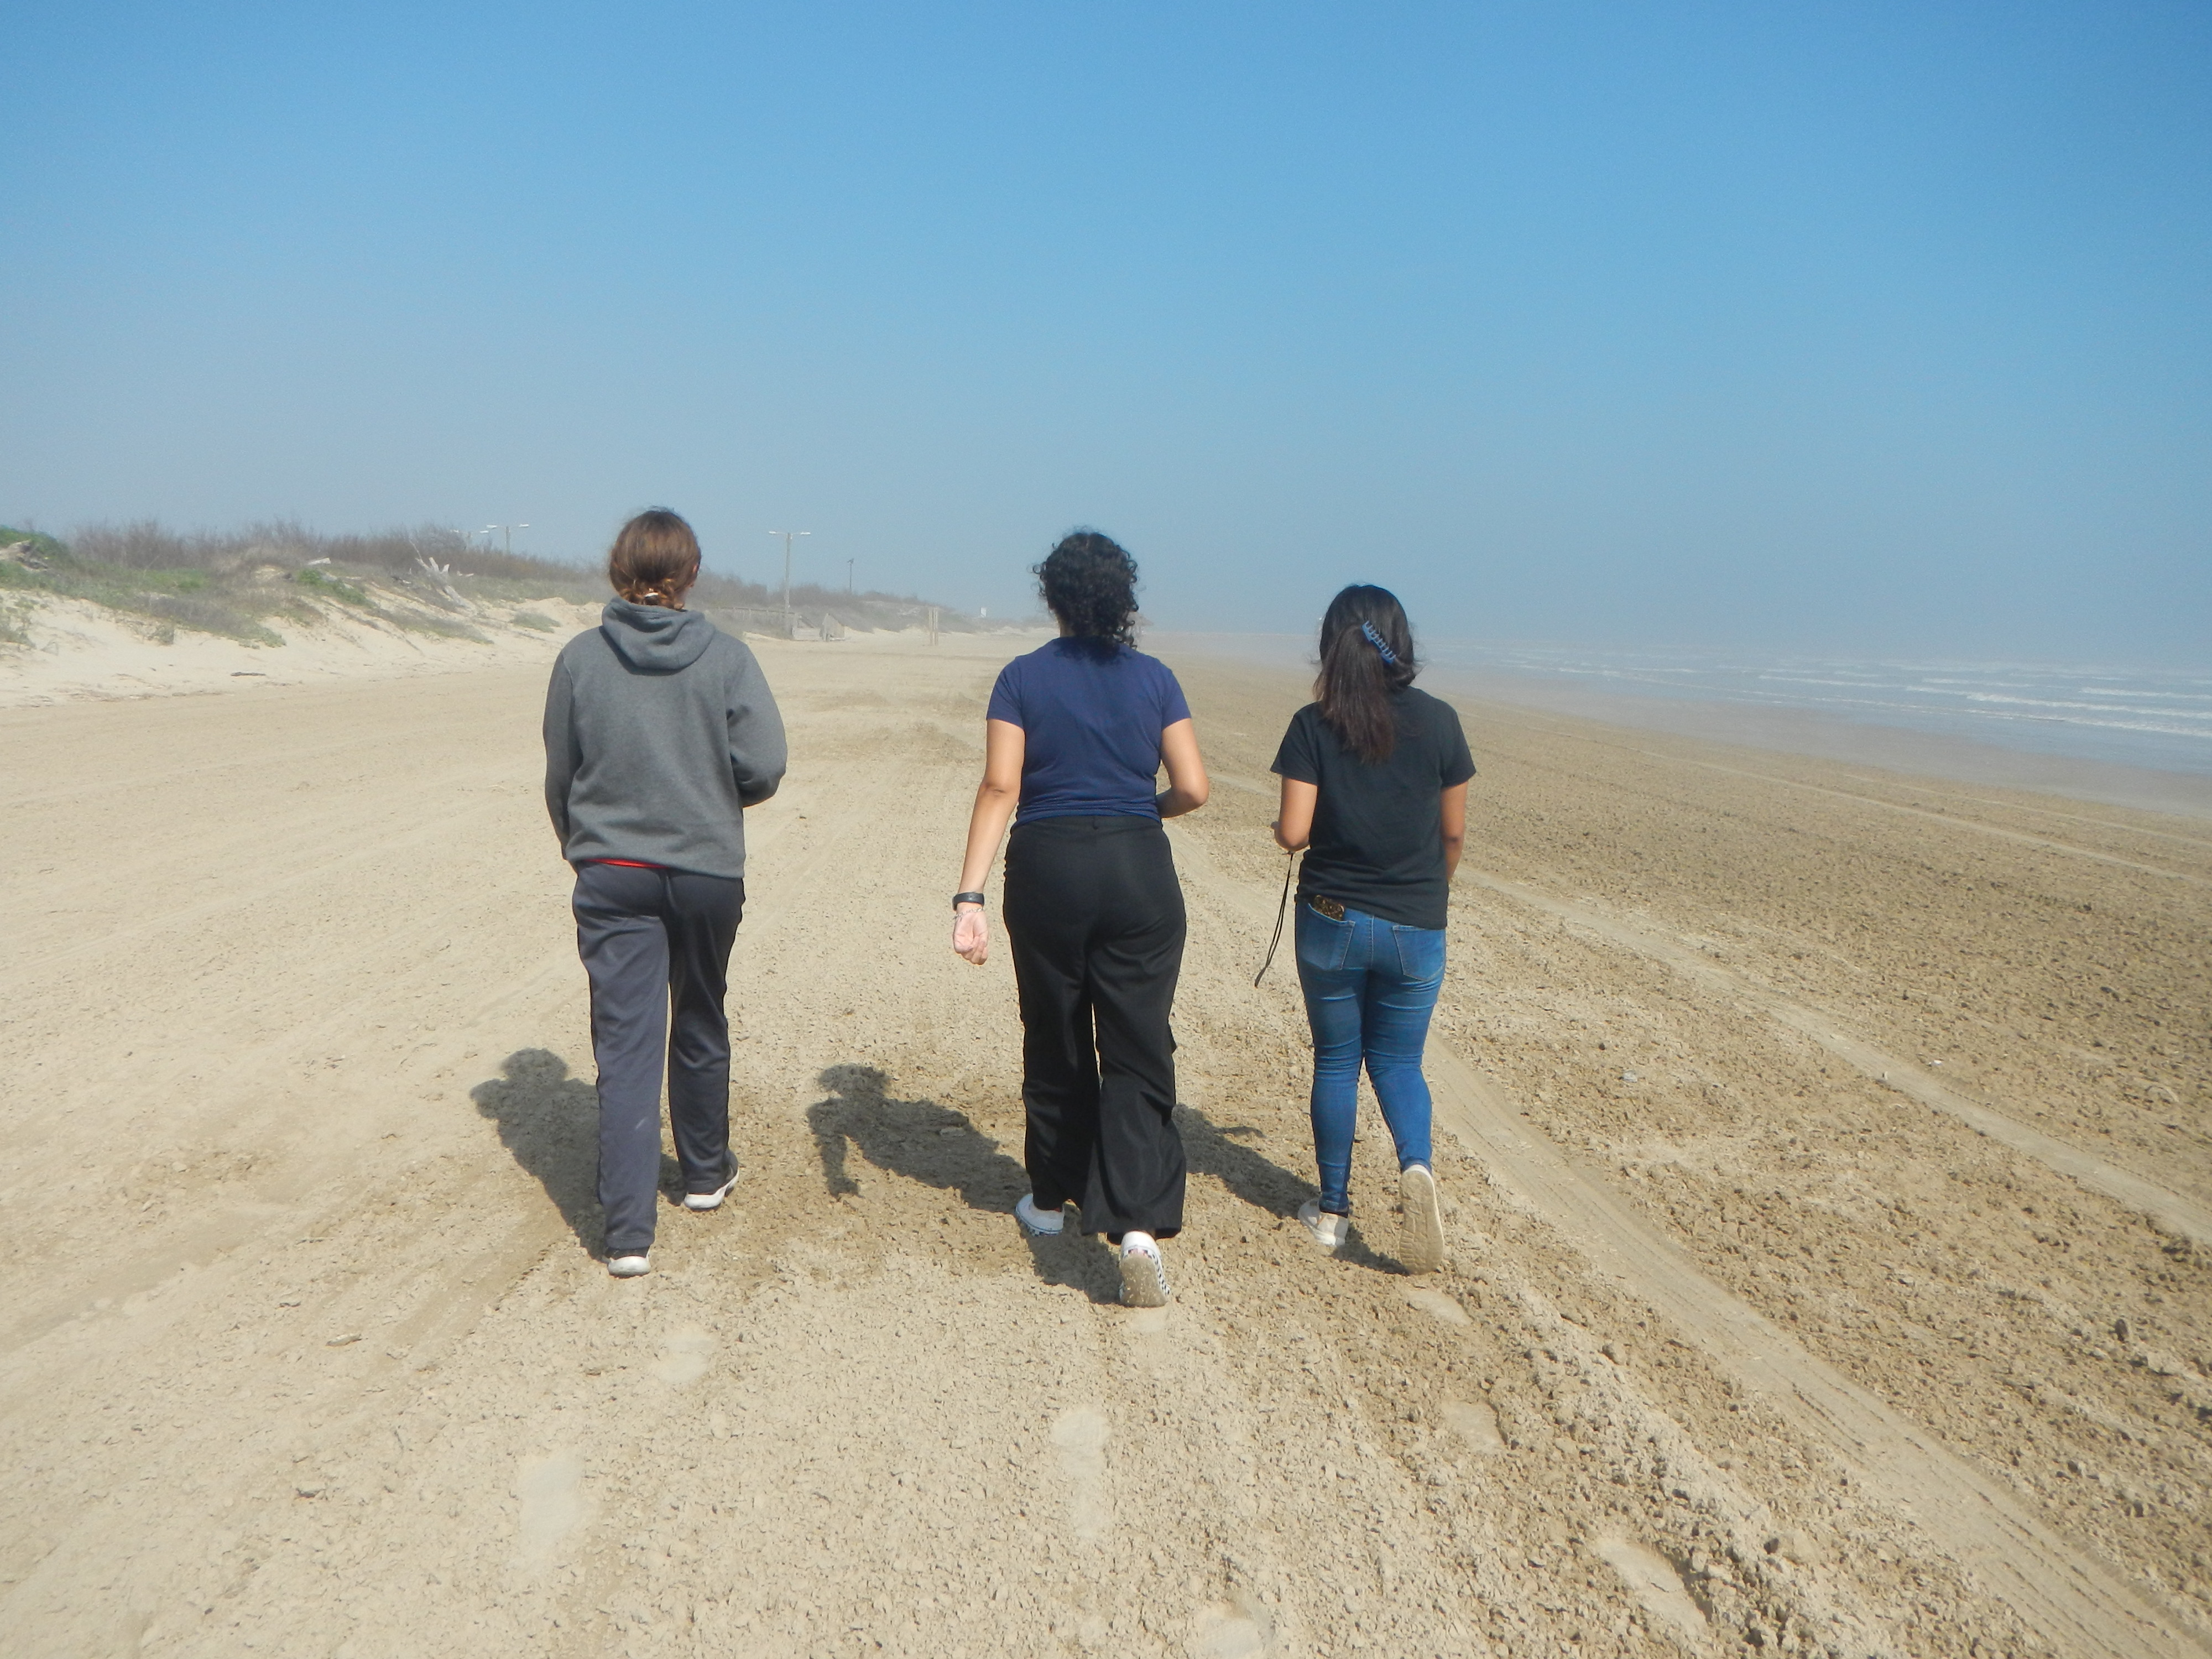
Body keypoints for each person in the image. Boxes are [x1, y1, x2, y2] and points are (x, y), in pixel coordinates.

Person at [951, 531, 1209, 1307]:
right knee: (1136, 1041)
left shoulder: (1021, 677)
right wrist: (1142, 810)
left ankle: (1050, 1200)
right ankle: (1137, 1225)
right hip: (1138, 867)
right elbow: (1194, 787)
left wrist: (969, 896)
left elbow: (1001, 786)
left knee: (1055, 1030)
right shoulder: (1155, 678)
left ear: (1053, 596)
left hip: (1049, 867)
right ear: (1123, 597)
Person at [542, 509, 787, 1277]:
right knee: (701, 1010)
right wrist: (711, 790)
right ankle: (705, 1175)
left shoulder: (580, 659)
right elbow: (765, 766)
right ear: (691, 574)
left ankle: (627, 1236)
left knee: (626, 1045)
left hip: (613, 870)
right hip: (706, 869)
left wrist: (585, 848)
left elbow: (562, 775)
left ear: (617, 571)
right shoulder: (728, 657)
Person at [1270, 584, 1472, 1272]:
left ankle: (1332, 1214)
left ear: (1330, 645)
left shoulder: (1312, 725)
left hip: (1332, 918)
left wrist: (1281, 832)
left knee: (1336, 1060)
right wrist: (1426, 896)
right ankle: (1416, 1166)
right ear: (1400, 642)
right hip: (1417, 923)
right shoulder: (1441, 722)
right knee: (1398, 1062)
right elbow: (1452, 836)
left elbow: (1293, 832)